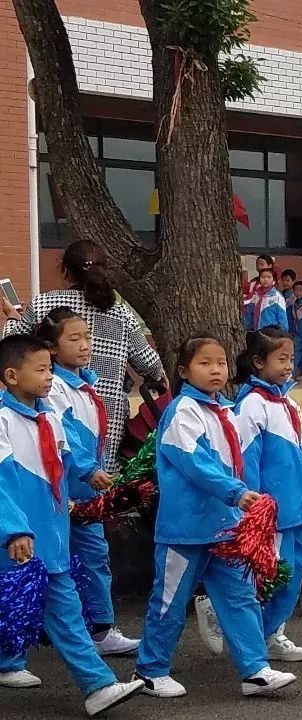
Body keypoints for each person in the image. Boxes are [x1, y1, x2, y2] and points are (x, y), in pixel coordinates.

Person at [132, 336, 296, 699]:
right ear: (184, 370)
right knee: (169, 602)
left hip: (225, 527)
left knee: (240, 597)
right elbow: (195, 463)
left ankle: (255, 669)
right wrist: (236, 493)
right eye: (205, 363)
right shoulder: (183, 411)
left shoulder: (223, 410)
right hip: (185, 529)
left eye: (220, 363)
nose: (216, 370)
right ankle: (150, 669)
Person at [0, 334, 145, 715]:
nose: (50, 377)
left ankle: (95, 684)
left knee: (59, 607)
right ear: (12, 375)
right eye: (42, 369)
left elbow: (70, 456)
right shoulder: (1, 420)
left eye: (50, 368)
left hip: (50, 535)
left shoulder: (48, 416)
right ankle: (95, 682)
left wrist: (91, 475)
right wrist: (13, 529)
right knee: (46, 607)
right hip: (22, 537)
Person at [1, 240, 167, 474]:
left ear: (66, 271)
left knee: (59, 472)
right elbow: (147, 363)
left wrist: (11, 318)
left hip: (53, 405)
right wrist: (159, 374)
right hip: (108, 415)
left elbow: (12, 347)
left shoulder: (43, 304)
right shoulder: (120, 312)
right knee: (100, 485)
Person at [37, 308, 139, 656]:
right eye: (74, 339)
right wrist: (86, 469)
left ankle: (98, 627)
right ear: (52, 347)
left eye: (87, 337)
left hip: (83, 488)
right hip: (67, 487)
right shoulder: (55, 389)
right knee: (60, 558)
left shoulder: (83, 384)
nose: (85, 345)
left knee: (92, 555)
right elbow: (65, 435)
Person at [233, 328, 302, 662]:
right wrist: (257, 512)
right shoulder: (252, 405)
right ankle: (258, 637)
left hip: (297, 510)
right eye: (280, 359)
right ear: (259, 362)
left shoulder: (288, 402)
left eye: (290, 358)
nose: (288, 365)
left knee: (293, 572)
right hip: (274, 514)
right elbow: (247, 462)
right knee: (274, 578)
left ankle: (273, 633)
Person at [243, 268, 289, 332]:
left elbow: (282, 317)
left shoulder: (277, 296)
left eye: (269, 277)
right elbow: (249, 314)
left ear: (274, 280)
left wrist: (282, 333)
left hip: (272, 334)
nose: (265, 280)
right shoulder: (256, 295)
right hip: (257, 332)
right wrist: (245, 328)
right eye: (263, 277)